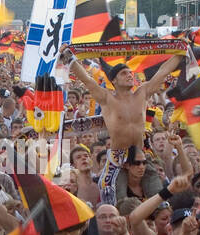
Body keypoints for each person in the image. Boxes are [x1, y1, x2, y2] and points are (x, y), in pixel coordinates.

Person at [67, 51, 183, 205]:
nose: (130, 75)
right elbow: (87, 80)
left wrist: (182, 51)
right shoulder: (107, 98)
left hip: (141, 156)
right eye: (124, 73)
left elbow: (163, 72)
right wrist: (69, 57)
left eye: (130, 73)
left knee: (160, 203)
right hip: (117, 158)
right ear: (114, 80)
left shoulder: (143, 93)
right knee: (116, 203)